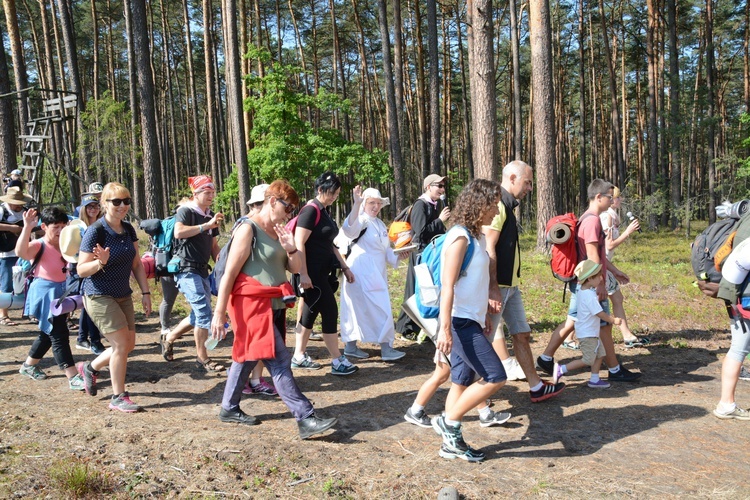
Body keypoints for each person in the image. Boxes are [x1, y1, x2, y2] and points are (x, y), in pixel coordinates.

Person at [210, 180, 338, 438]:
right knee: (279, 361)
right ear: (271, 201)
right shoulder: (249, 229)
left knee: (247, 357)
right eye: (287, 207)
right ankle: (305, 417)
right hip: (251, 306)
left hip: (274, 303)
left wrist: (291, 246)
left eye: (293, 209)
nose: (290, 213)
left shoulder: (279, 231)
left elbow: (294, 267)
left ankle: (228, 407)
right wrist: (218, 311)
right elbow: (229, 274)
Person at [430, 178, 508, 462]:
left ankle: (450, 441)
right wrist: (445, 329)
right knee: (495, 375)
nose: (497, 209)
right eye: (493, 203)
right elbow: (447, 286)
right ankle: (448, 421)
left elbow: (474, 281)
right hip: (458, 322)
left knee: (461, 381)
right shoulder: (460, 236)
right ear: (480, 204)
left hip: (471, 319)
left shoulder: (477, 237)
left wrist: (484, 314)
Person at [537, 179, 641, 383]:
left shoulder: (586, 218)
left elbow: (599, 254)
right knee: (604, 325)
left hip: (582, 282)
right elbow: (593, 255)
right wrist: (601, 284)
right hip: (590, 284)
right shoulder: (593, 221)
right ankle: (614, 369)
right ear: (598, 197)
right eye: (610, 197)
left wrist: (615, 271)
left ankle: (545, 357)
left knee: (574, 320)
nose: (612, 201)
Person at [483, 161, 565, 402]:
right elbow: (488, 247)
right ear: (511, 178)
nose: (530, 188)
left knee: (522, 333)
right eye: (527, 182)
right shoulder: (498, 204)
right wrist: (493, 288)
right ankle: (478, 396)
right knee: (485, 340)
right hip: (499, 287)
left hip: (511, 286)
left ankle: (536, 386)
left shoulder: (508, 204)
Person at [76, 182, 152, 412]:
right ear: (104, 204)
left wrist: (146, 292)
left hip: (123, 293)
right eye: (116, 201)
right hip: (99, 294)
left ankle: (90, 368)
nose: (122, 206)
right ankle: (118, 396)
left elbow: (137, 263)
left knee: (128, 345)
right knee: (120, 345)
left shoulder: (128, 229)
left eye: (126, 201)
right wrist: (100, 263)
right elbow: (81, 270)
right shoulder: (96, 230)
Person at [291, 171, 358, 376]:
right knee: (330, 313)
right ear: (320, 190)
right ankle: (337, 360)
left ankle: (298, 356)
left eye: (337, 193)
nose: (334, 197)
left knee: (309, 315)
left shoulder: (324, 210)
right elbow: (298, 242)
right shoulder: (310, 211)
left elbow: (330, 244)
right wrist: (303, 274)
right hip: (311, 274)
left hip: (323, 272)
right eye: (332, 193)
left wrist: (344, 267)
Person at [15, 206, 85, 390]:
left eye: (64, 226)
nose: (61, 230)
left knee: (48, 332)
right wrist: (27, 228)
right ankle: (72, 376)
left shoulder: (67, 244)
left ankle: (28, 366)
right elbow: (21, 252)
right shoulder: (39, 244)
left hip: (61, 294)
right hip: (44, 294)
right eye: (56, 227)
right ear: (45, 227)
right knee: (59, 335)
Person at [163, 175, 224, 372]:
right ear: (195, 193)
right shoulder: (186, 211)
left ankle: (170, 337)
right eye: (207, 192)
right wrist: (206, 225)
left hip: (201, 269)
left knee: (198, 314)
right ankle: (202, 358)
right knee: (203, 313)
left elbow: (213, 245)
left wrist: (223, 267)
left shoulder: (210, 214)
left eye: (213, 193)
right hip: (185, 269)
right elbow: (178, 232)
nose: (211, 196)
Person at [339, 186, 407, 361]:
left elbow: (386, 251)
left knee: (374, 308)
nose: (375, 206)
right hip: (359, 273)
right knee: (361, 309)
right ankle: (378, 348)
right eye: (371, 203)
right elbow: (349, 229)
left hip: (376, 273)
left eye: (378, 203)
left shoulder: (380, 223)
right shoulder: (361, 220)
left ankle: (361, 347)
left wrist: (400, 254)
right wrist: (356, 204)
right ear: (364, 204)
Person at [395, 174, 451, 340]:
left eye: (443, 186)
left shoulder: (432, 205)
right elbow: (420, 233)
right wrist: (440, 220)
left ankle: (422, 326)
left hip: (430, 254)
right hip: (420, 254)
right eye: (438, 186)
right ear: (428, 187)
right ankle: (405, 328)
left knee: (427, 290)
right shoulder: (421, 205)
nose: (442, 189)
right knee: (414, 290)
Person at [551, 260, 623, 389]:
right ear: (590, 278)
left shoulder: (582, 291)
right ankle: (561, 369)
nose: (601, 278)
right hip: (587, 333)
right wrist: (613, 320)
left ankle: (594, 379)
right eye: (598, 276)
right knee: (588, 359)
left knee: (600, 354)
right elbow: (600, 313)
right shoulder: (589, 295)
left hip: (591, 331)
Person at [600, 187, 648, 347]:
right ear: (610, 199)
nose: (620, 200)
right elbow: (609, 245)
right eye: (617, 197)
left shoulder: (612, 216)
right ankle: (627, 336)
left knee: (614, 298)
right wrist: (627, 232)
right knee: (605, 300)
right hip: (601, 264)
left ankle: (627, 335)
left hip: (606, 263)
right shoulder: (607, 217)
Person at [70, 193, 106, 355]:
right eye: (90, 206)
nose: (94, 209)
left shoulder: (102, 224)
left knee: (88, 304)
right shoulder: (77, 226)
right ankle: (95, 341)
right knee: (90, 303)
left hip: (99, 267)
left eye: (96, 206)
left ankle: (82, 338)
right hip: (82, 268)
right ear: (84, 208)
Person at [0, 187, 30, 326]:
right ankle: (3, 315)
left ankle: (28, 311)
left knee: (24, 282)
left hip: (23, 252)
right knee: (6, 284)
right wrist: (11, 228)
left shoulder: (26, 212)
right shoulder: (2, 210)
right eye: (16, 203)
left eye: (20, 203)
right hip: (5, 252)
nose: (19, 206)